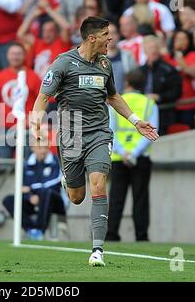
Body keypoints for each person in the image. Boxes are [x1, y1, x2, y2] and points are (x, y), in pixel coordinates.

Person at [31, 17, 159, 267]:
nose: (110, 39)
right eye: (106, 34)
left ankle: (97, 250)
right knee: (77, 196)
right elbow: (42, 97)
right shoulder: (63, 64)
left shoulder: (104, 64)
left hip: (99, 133)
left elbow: (113, 97)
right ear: (92, 38)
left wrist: (136, 121)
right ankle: (69, 177)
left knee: (98, 184)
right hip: (72, 135)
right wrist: (36, 125)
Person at [106, 68, 159, 242]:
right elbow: (152, 131)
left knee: (116, 199)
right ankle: (141, 236)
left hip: (118, 157)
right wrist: (134, 153)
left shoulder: (117, 102)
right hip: (141, 157)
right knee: (141, 198)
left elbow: (111, 130)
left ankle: (111, 234)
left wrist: (123, 152)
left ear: (127, 83)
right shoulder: (149, 104)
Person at [2, 128, 66, 240]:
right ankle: (32, 230)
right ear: (33, 148)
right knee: (9, 200)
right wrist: (30, 196)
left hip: (55, 201)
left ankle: (40, 230)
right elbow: (22, 188)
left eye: (45, 147)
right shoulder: (27, 165)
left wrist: (32, 189)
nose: (42, 150)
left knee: (45, 192)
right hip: (33, 200)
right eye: (39, 147)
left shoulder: (56, 162)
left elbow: (57, 182)